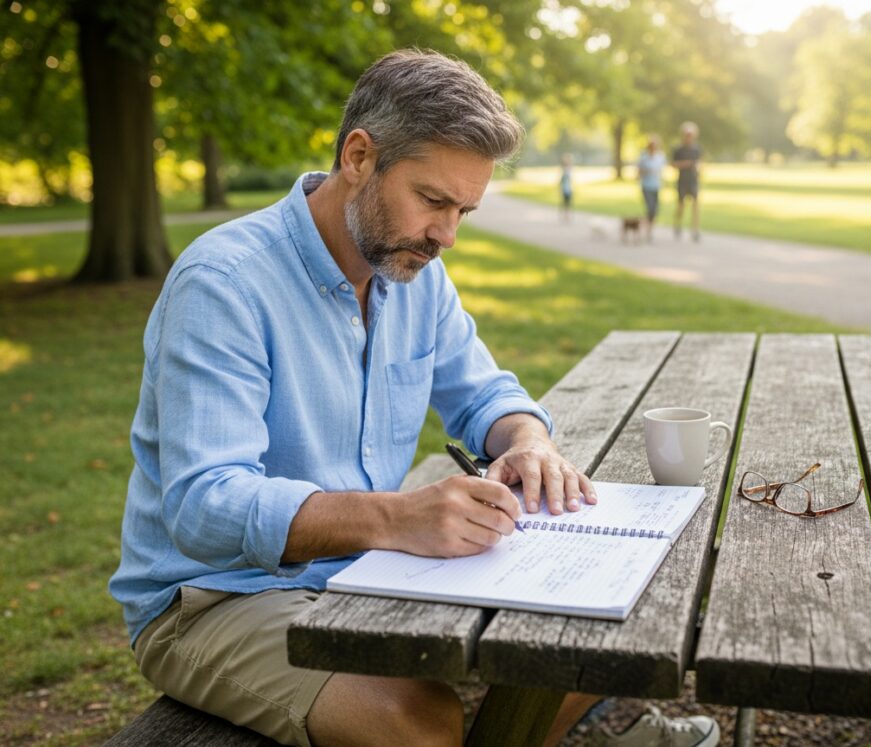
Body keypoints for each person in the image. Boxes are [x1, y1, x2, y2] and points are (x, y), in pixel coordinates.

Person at [109, 49, 720, 747]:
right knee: (421, 723)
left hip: (365, 568)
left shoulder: (413, 272)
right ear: (359, 157)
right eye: (433, 200)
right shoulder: (225, 282)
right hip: (213, 599)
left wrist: (528, 441)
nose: (447, 235)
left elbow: (485, 391)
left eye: (464, 209)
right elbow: (203, 505)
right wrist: (396, 517)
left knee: (620, 621)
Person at [672, 122, 702, 241]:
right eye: (687, 135)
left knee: (695, 205)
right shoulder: (679, 149)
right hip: (682, 181)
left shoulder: (696, 149)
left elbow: (699, 162)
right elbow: (673, 164)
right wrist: (686, 164)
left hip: (693, 180)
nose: (689, 137)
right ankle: (677, 224)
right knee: (681, 205)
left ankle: (695, 229)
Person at [637, 136, 666, 242]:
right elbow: (638, 173)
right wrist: (647, 171)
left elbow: (662, 171)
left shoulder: (661, 157)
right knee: (650, 209)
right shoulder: (644, 157)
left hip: (656, 186)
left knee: (654, 211)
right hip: (646, 186)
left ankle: (649, 231)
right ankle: (644, 228)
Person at [559, 153, 574, 222]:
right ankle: (565, 215)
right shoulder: (565, 171)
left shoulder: (568, 170)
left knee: (568, 203)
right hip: (565, 189)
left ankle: (567, 216)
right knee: (565, 203)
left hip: (568, 189)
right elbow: (562, 180)